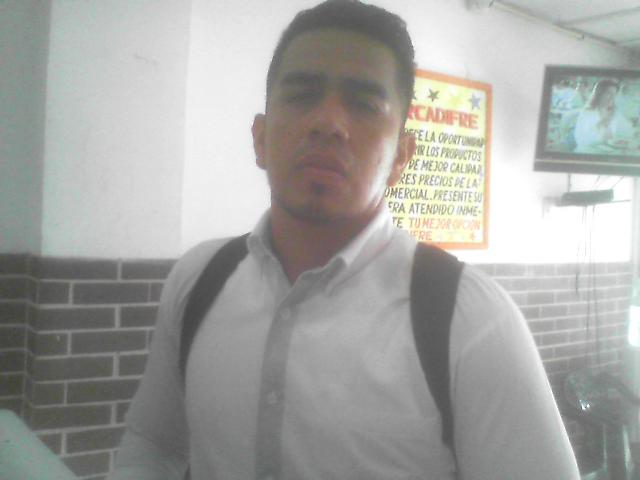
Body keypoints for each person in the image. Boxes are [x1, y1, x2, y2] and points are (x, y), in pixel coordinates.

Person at [109, 1, 580, 479]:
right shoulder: (199, 281)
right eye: (301, 95)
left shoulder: (470, 320)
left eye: (363, 104)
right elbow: (153, 444)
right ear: (260, 138)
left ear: (401, 157)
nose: (328, 123)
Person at [574, 79, 634, 153]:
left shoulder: (614, 112)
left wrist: (632, 128)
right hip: (588, 153)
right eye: (608, 93)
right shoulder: (587, 113)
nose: (612, 97)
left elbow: (627, 130)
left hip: (610, 152)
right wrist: (600, 124)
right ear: (599, 94)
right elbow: (581, 140)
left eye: (614, 94)